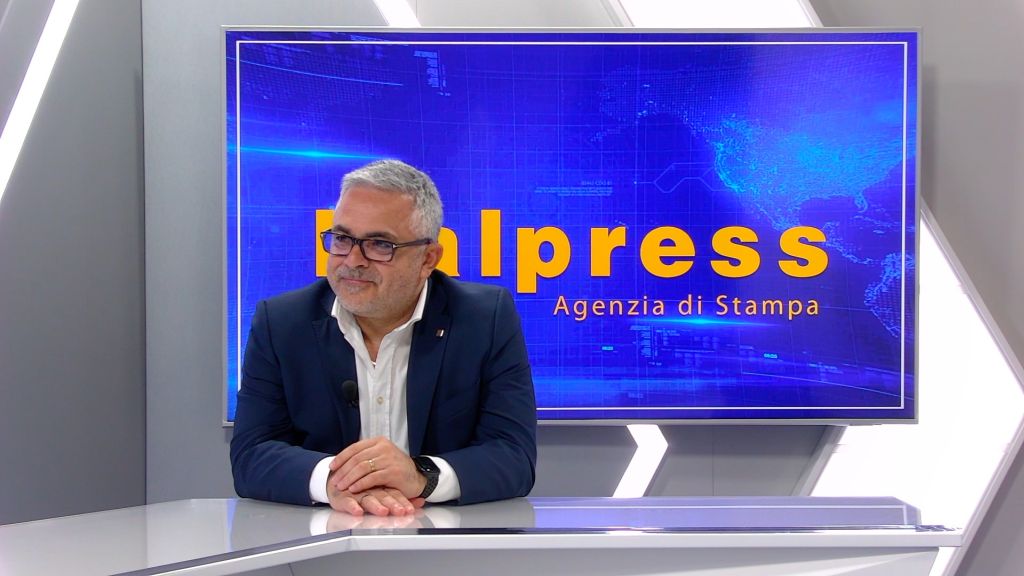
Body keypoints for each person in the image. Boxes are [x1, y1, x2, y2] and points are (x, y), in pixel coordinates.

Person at [230, 159, 537, 517]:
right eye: (342, 239)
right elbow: (251, 455)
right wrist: (336, 480)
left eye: (379, 244)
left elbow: (514, 456)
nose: (353, 260)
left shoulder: (484, 319)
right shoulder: (282, 322)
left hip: (441, 534)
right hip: (324, 534)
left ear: (428, 259)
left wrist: (421, 475)